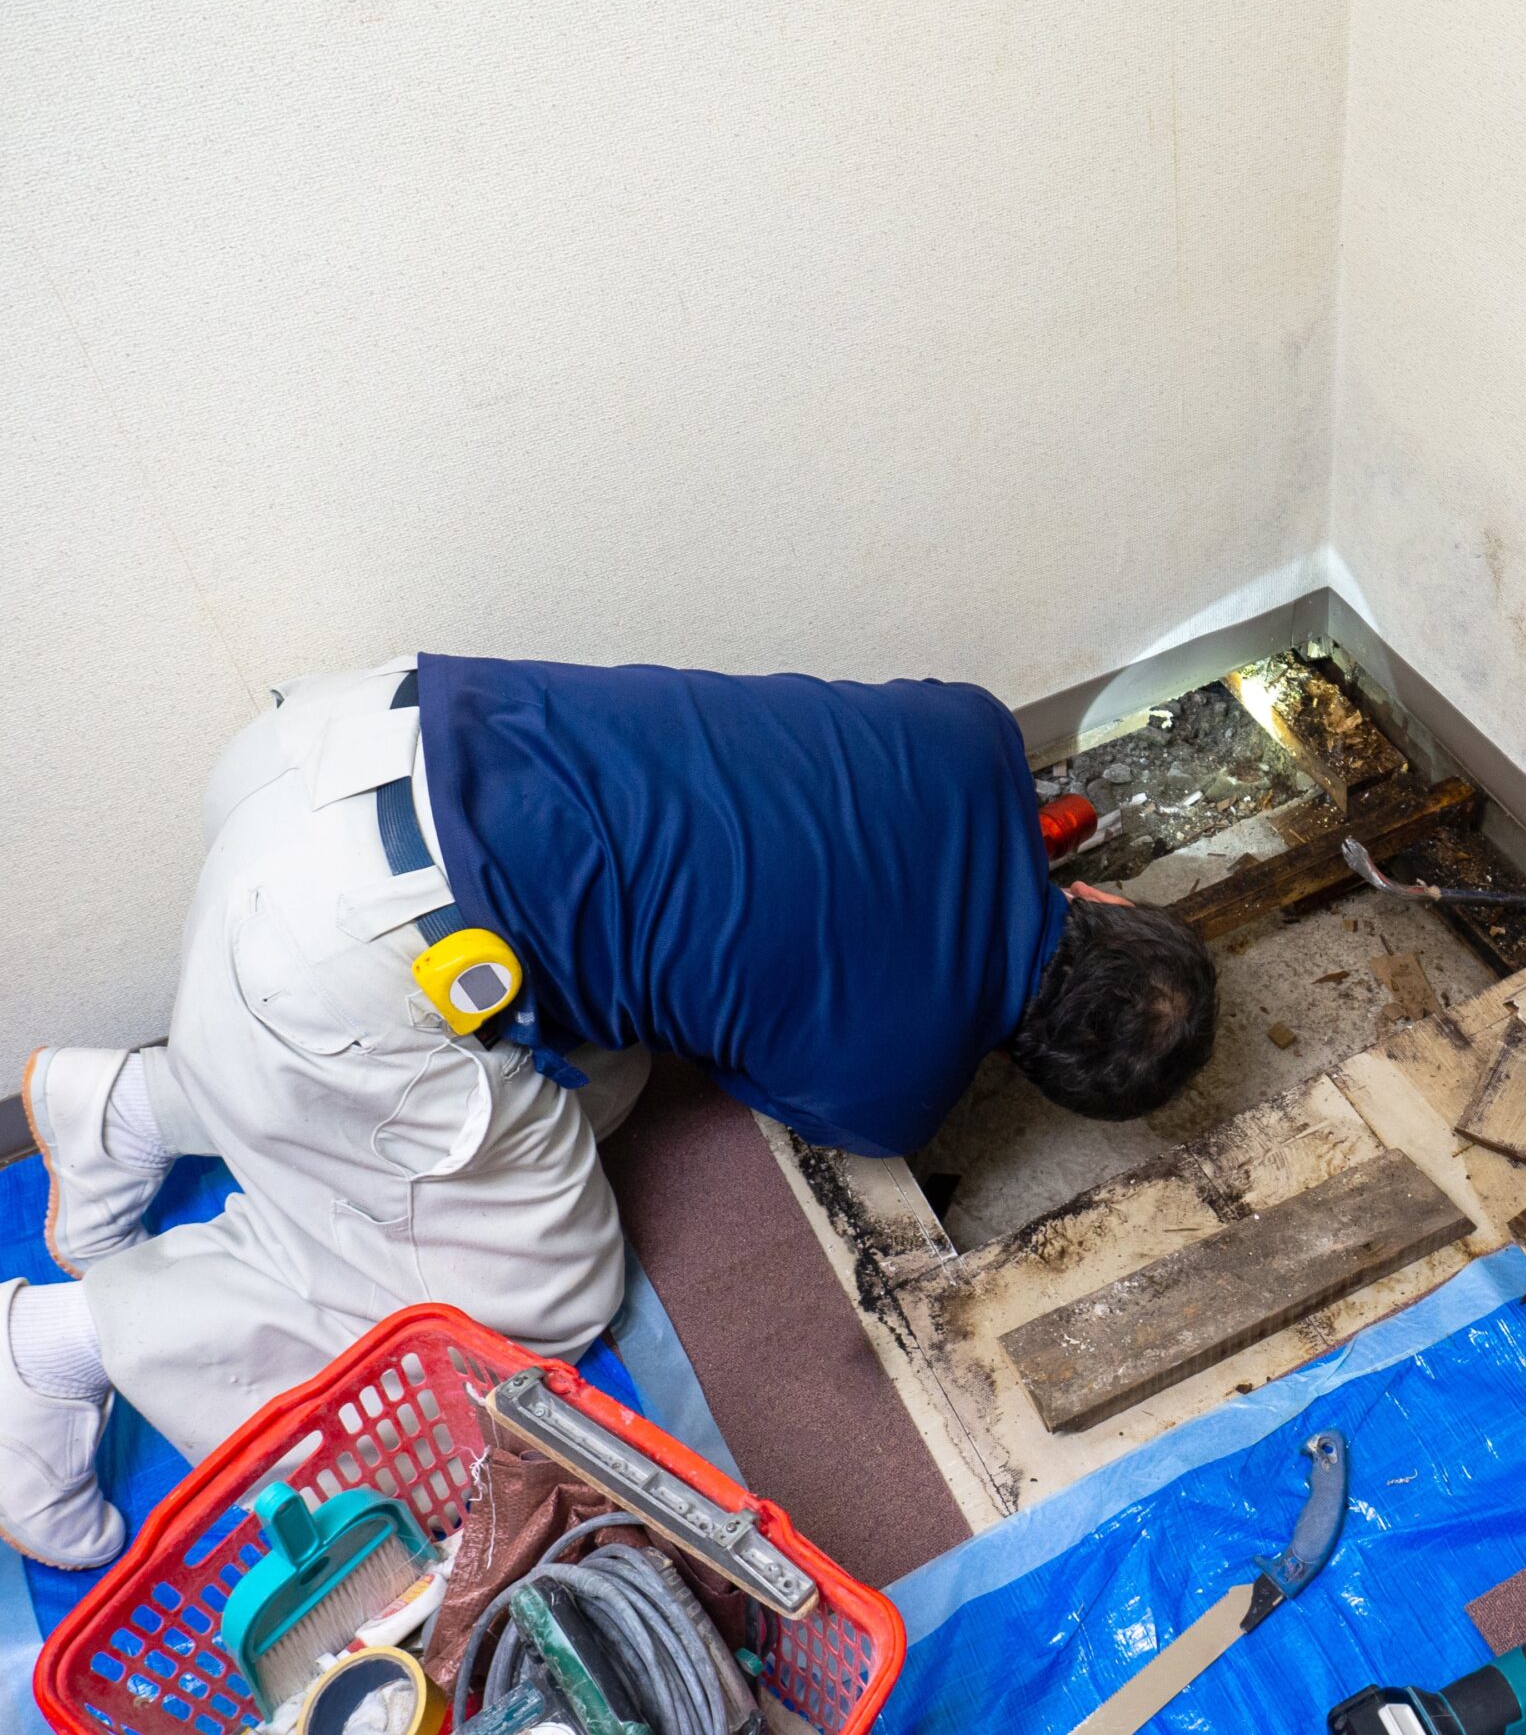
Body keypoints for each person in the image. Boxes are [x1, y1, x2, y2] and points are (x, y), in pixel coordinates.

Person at [3, 654, 1217, 1566]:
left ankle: (126, 1107)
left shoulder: (973, 733)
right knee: (548, 1292)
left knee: (609, 1062)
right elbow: (757, 1075)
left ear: (1101, 889)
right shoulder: (892, 1090)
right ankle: (57, 1353)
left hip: (337, 744)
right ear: (1026, 1067)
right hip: (346, 953)